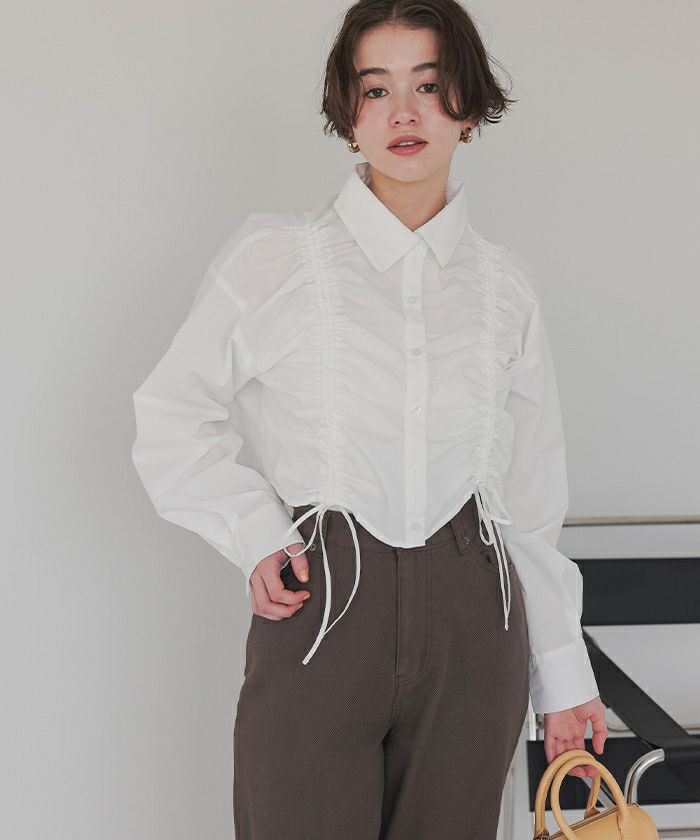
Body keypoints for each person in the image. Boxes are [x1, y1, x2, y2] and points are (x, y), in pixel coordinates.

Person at [131, 0, 608, 836]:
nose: (403, 113)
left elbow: (530, 498)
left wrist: (563, 676)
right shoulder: (277, 257)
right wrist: (256, 533)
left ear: (468, 102)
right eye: (376, 89)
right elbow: (171, 411)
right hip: (321, 607)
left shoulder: (504, 289)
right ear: (348, 115)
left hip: (476, 619)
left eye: (428, 84)